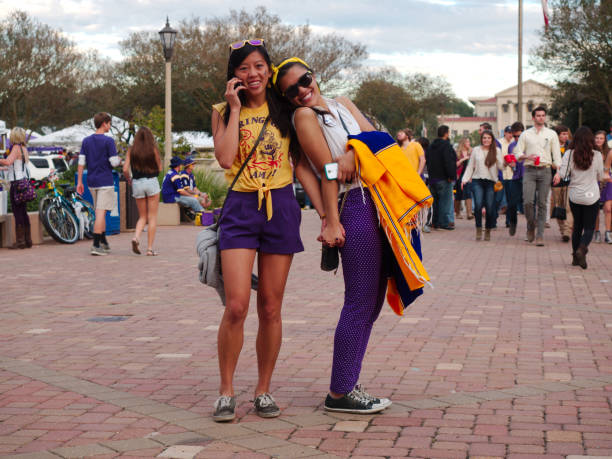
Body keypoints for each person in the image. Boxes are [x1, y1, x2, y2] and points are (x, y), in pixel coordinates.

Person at [274, 56, 393, 414]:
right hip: (351, 202)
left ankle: (349, 382)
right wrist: (329, 219)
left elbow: (379, 143)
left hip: (375, 200)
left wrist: (355, 153)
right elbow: (326, 168)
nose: (301, 91)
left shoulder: (344, 105)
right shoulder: (304, 117)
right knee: (359, 299)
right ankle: (340, 392)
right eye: (291, 91)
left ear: (314, 75)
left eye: (304, 80)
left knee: (372, 300)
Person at [210, 40, 306, 422]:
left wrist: (330, 216)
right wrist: (234, 110)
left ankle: (263, 389)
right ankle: (226, 390)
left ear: (270, 70)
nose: (252, 74)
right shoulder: (221, 111)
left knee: (270, 306)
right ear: (234, 75)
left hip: (280, 205)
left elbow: (300, 165)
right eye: (244, 68)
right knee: (236, 305)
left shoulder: (286, 109)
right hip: (240, 207)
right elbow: (225, 158)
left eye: (259, 66)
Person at [553, 127, 604, 269]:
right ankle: (582, 249)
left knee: (577, 227)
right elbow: (600, 176)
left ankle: (575, 257)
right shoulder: (597, 155)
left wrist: (557, 174)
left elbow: (563, 173)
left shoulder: (569, 153)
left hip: (575, 195)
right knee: (589, 228)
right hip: (592, 195)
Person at [513, 106, 561, 246]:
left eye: (543, 115)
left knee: (542, 203)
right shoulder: (526, 134)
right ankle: (530, 225)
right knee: (527, 201)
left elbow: (557, 155)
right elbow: (517, 153)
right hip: (529, 170)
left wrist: (558, 172)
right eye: (538, 115)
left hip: (545, 170)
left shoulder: (551, 134)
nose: (541, 117)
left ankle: (540, 235)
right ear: (533, 118)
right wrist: (528, 156)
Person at [76, 112, 121, 256]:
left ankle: (103, 241)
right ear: (104, 123)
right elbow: (114, 162)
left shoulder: (86, 141)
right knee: (101, 213)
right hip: (106, 181)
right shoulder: (109, 141)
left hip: (91, 181)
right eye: (109, 123)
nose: (110, 126)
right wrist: (119, 160)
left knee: (99, 211)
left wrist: (79, 182)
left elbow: (81, 162)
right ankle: (96, 244)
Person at [123, 126, 161, 256]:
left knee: (142, 216)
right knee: (152, 217)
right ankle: (150, 249)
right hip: (151, 182)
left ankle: (136, 237)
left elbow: (124, 169)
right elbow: (160, 168)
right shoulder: (153, 149)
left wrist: (129, 179)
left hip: (137, 183)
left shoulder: (131, 150)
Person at [461, 130, 503, 241]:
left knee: (489, 208)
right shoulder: (476, 150)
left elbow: (501, 167)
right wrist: (464, 180)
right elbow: (470, 166)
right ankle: (479, 228)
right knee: (478, 206)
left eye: (489, 138)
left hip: (491, 182)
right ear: (481, 139)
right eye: (484, 138)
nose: (486, 140)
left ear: (492, 139)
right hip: (477, 181)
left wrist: (507, 162)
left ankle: (488, 229)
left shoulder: (497, 151)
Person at [0, 127, 32, 249]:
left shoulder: (16, 148)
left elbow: (8, 162)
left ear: (14, 136)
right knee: (23, 211)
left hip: (16, 184)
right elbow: (16, 166)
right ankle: (28, 240)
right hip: (23, 182)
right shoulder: (24, 148)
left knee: (17, 212)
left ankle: (20, 242)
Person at [425, 125, 456, 230]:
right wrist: (451, 176)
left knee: (435, 202)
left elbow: (428, 161)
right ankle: (443, 223)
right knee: (445, 202)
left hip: (433, 178)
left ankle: (434, 222)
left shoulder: (431, 146)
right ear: (446, 134)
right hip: (444, 178)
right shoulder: (446, 146)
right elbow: (448, 162)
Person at [551, 125, 573, 242]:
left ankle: (567, 231)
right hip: (555, 182)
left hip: (570, 181)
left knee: (569, 207)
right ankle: (562, 230)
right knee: (559, 208)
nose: (565, 136)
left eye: (566, 134)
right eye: (563, 134)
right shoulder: (551, 147)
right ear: (557, 135)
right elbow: (550, 162)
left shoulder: (571, 146)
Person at [505, 122, 525, 236]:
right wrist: (510, 165)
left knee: (529, 204)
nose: (517, 138)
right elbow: (511, 162)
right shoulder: (511, 146)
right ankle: (513, 222)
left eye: (519, 136)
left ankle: (530, 227)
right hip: (516, 177)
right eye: (515, 136)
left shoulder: (529, 145)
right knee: (512, 203)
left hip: (528, 177)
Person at [595, 130, 612, 243]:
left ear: (605, 140)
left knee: (608, 208)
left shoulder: (609, 151)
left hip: (608, 180)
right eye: (597, 138)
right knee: (595, 209)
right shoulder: (591, 151)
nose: (599, 140)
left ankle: (608, 232)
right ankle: (596, 232)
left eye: (601, 138)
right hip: (594, 180)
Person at [454, 137, 473, 220]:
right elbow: (456, 165)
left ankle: (469, 213)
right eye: (467, 142)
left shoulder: (472, 152)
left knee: (468, 192)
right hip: (459, 175)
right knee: (458, 194)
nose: (469, 143)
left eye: (469, 142)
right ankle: (457, 213)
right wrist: (463, 159)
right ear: (463, 143)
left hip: (468, 175)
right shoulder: (457, 153)